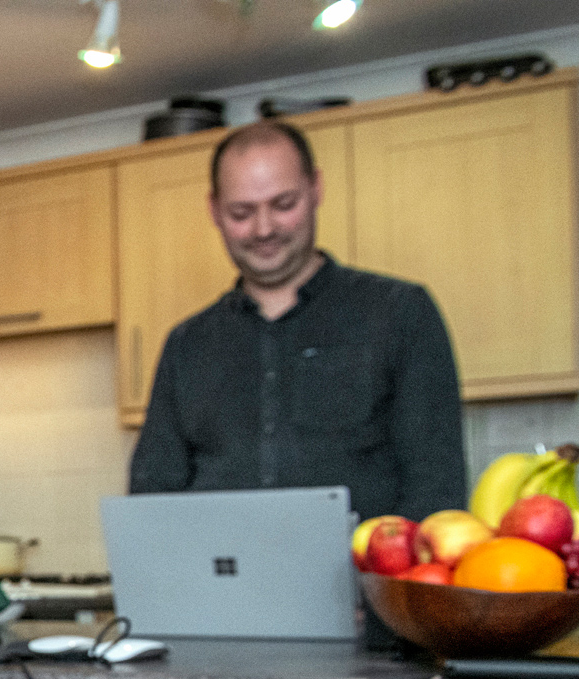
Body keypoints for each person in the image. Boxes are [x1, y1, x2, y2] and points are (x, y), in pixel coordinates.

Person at [128, 119, 467, 522]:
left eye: (284, 205)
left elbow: (436, 487)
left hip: (366, 582)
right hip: (222, 583)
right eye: (241, 213)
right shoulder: (187, 344)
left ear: (315, 189)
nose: (264, 228)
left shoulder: (400, 312)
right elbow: (151, 500)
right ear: (214, 210)